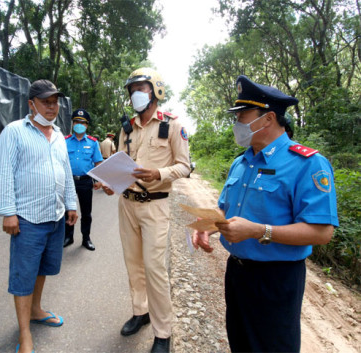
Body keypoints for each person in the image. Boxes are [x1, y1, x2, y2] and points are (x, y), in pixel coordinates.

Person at [192, 75, 338, 353]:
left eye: (242, 115)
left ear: (268, 118)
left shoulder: (308, 164)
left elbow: (322, 232)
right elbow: (224, 208)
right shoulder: (241, 161)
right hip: (237, 272)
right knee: (241, 343)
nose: (237, 124)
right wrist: (207, 225)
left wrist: (259, 230)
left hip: (277, 279)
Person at [103, 68, 190, 353]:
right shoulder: (127, 127)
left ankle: (163, 332)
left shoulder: (173, 125)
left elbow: (184, 166)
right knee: (133, 264)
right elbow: (121, 163)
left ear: (155, 90)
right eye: (132, 90)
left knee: (154, 269)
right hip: (126, 204)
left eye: (141, 87)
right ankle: (140, 312)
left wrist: (159, 173)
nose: (135, 94)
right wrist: (110, 183)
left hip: (155, 206)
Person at [0, 79, 78, 353]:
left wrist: (72, 204)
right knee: (24, 275)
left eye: (55, 102)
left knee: (43, 269)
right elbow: (4, 173)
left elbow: (66, 173)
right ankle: (25, 334)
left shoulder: (58, 136)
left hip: (54, 216)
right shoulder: (14, 132)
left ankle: (36, 310)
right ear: (32, 103)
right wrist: (8, 212)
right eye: (45, 102)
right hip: (27, 218)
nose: (52, 107)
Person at [64, 109, 103, 251]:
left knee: (86, 213)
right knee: (68, 210)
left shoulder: (93, 142)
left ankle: (86, 238)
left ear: (86, 125)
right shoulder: (65, 141)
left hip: (86, 182)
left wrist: (99, 180)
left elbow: (98, 162)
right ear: (73, 123)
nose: (79, 124)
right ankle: (68, 237)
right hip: (68, 182)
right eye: (76, 122)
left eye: (82, 122)